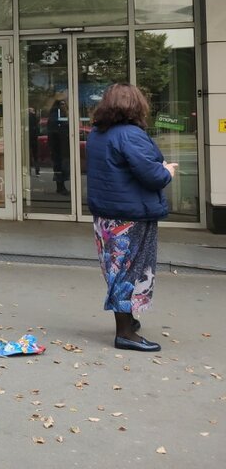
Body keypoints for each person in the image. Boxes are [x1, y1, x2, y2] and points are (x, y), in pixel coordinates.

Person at [85, 83, 176, 352]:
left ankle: (128, 321)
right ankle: (124, 333)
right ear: (136, 105)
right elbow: (152, 175)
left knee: (116, 270)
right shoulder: (130, 135)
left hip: (106, 216)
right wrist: (167, 171)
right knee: (128, 271)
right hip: (129, 216)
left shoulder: (97, 134)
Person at [47, 95, 70, 194]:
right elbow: (56, 129)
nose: (64, 105)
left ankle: (61, 186)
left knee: (60, 165)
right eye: (62, 104)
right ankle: (60, 187)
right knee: (60, 165)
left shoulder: (59, 114)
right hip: (58, 144)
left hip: (59, 144)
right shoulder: (56, 114)